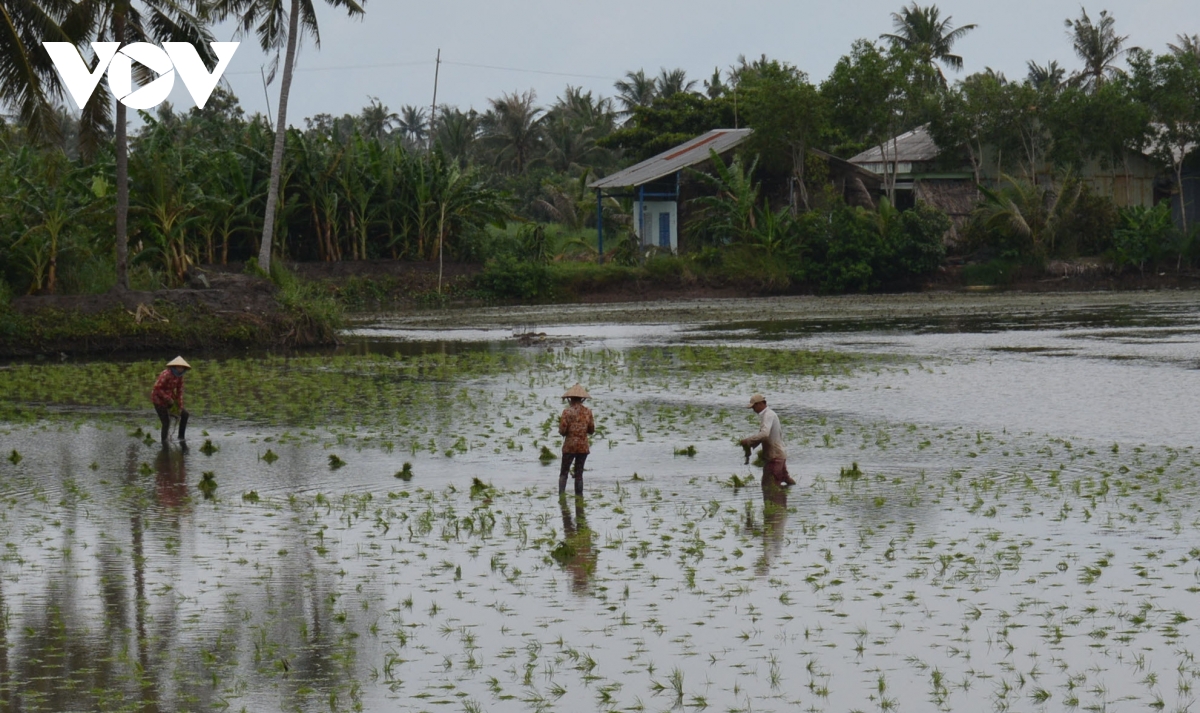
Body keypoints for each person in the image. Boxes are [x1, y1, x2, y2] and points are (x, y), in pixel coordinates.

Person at [740, 393, 797, 487]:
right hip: (779, 455)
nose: (753, 410)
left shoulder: (768, 415)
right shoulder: (768, 415)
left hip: (774, 458)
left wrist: (749, 440)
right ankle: (792, 494)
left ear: (760, 404)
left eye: (754, 407)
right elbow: (765, 436)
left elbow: (764, 434)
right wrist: (750, 445)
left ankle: (776, 500)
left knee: (769, 486)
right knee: (785, 479)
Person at [557, 383, 595, 495]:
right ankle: (579, 499)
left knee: (564, 473)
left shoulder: (567, 412)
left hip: (569, 447)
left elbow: (562, 430)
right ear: (582, 399)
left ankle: (561, 497)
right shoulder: (588, 412)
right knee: (579, 475)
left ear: (570, 399)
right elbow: (592, 430)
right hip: (583, 447)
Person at [151, 357, 190, 445]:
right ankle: (164, 443)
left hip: (170, 398)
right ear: (175, 366)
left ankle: (181, 438)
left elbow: (180, 391)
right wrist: (168, 399)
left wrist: (180, 406)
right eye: (179, 367)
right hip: (158, 399)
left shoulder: (180, 376)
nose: (181, 369)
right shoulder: (166, 374)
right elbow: (157, 388)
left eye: (182, 367)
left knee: (185, 414)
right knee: (166, 422)